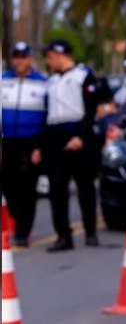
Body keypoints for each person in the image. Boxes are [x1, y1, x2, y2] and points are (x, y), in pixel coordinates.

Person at [39, 39, 101, 252]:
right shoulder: (51, 81)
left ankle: (90, 231)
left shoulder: (83, 76)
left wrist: (81, 136)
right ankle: (63, 236)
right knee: (57, 188)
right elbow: (46, 112)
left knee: (85, 186)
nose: (49, 61)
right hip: (55, 134)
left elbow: (91, 109)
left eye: (50, 57)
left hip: (78, 132)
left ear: (60, 55)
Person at [1, 42, 47, 247]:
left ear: (31, 59)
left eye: (24, 57)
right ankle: (18, 216)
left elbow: (48, 116)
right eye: (17, 57)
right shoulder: (4, 81)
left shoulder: (42, 83)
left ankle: (23, 231)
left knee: (27, 187)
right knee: (8, 186)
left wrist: (40, 146)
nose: (20, 61)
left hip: (31, 142)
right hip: (7, 140)